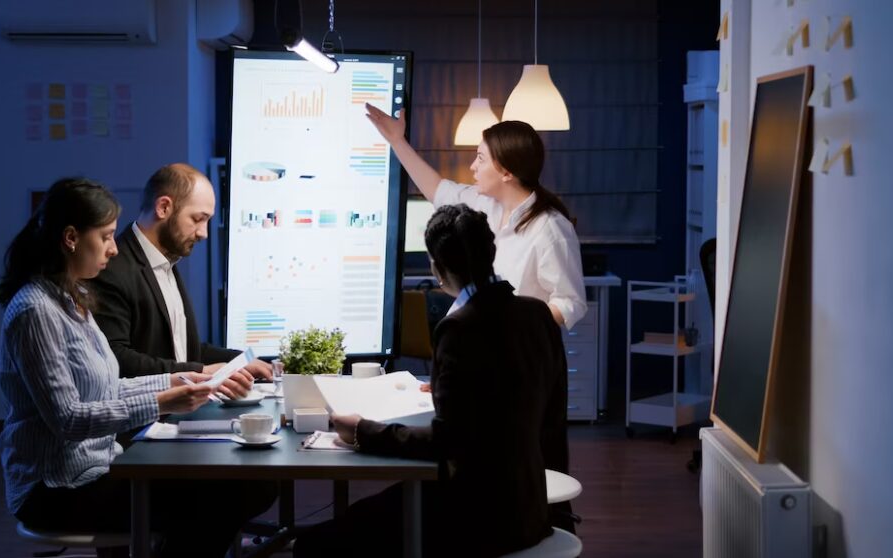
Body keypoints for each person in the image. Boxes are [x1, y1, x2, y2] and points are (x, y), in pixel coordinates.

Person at [0, 178, 275, 557]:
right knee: (230, 493)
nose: (114, 248)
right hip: (57, 489)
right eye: (107, 236)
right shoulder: (35, 310)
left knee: (244, 487)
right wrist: (162, 401)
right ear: (71, 238)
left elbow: (108, 389)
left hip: (96, 469)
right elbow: (69, 420)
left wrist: (177, 379)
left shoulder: (69, 296)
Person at [293, 204, 571, 558]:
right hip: (529, 508)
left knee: (315, 544)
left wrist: (364, 431)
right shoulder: (537, 314)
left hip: (475, 516)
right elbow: (547, 416)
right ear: (491, 254)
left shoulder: (458, 328)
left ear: (437, 269)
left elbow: (447, 442)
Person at [366, 105, 588, 329]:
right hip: (476, 341)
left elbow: (571, 303)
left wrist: (514, 321)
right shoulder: (483, 204)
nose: (473, 167)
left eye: (480, 159)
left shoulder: (550, 228)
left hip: (519, 352)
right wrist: (397, 141)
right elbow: (437, 189)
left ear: (506, 172)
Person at [89, 163, 271, 395]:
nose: (204, 233)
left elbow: (182, 350)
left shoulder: (166, 261)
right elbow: (116, 359)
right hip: (141, 424)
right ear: (164, 207)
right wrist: (202, 371)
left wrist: (242, 360)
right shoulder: (112, 268)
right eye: (197, 219)